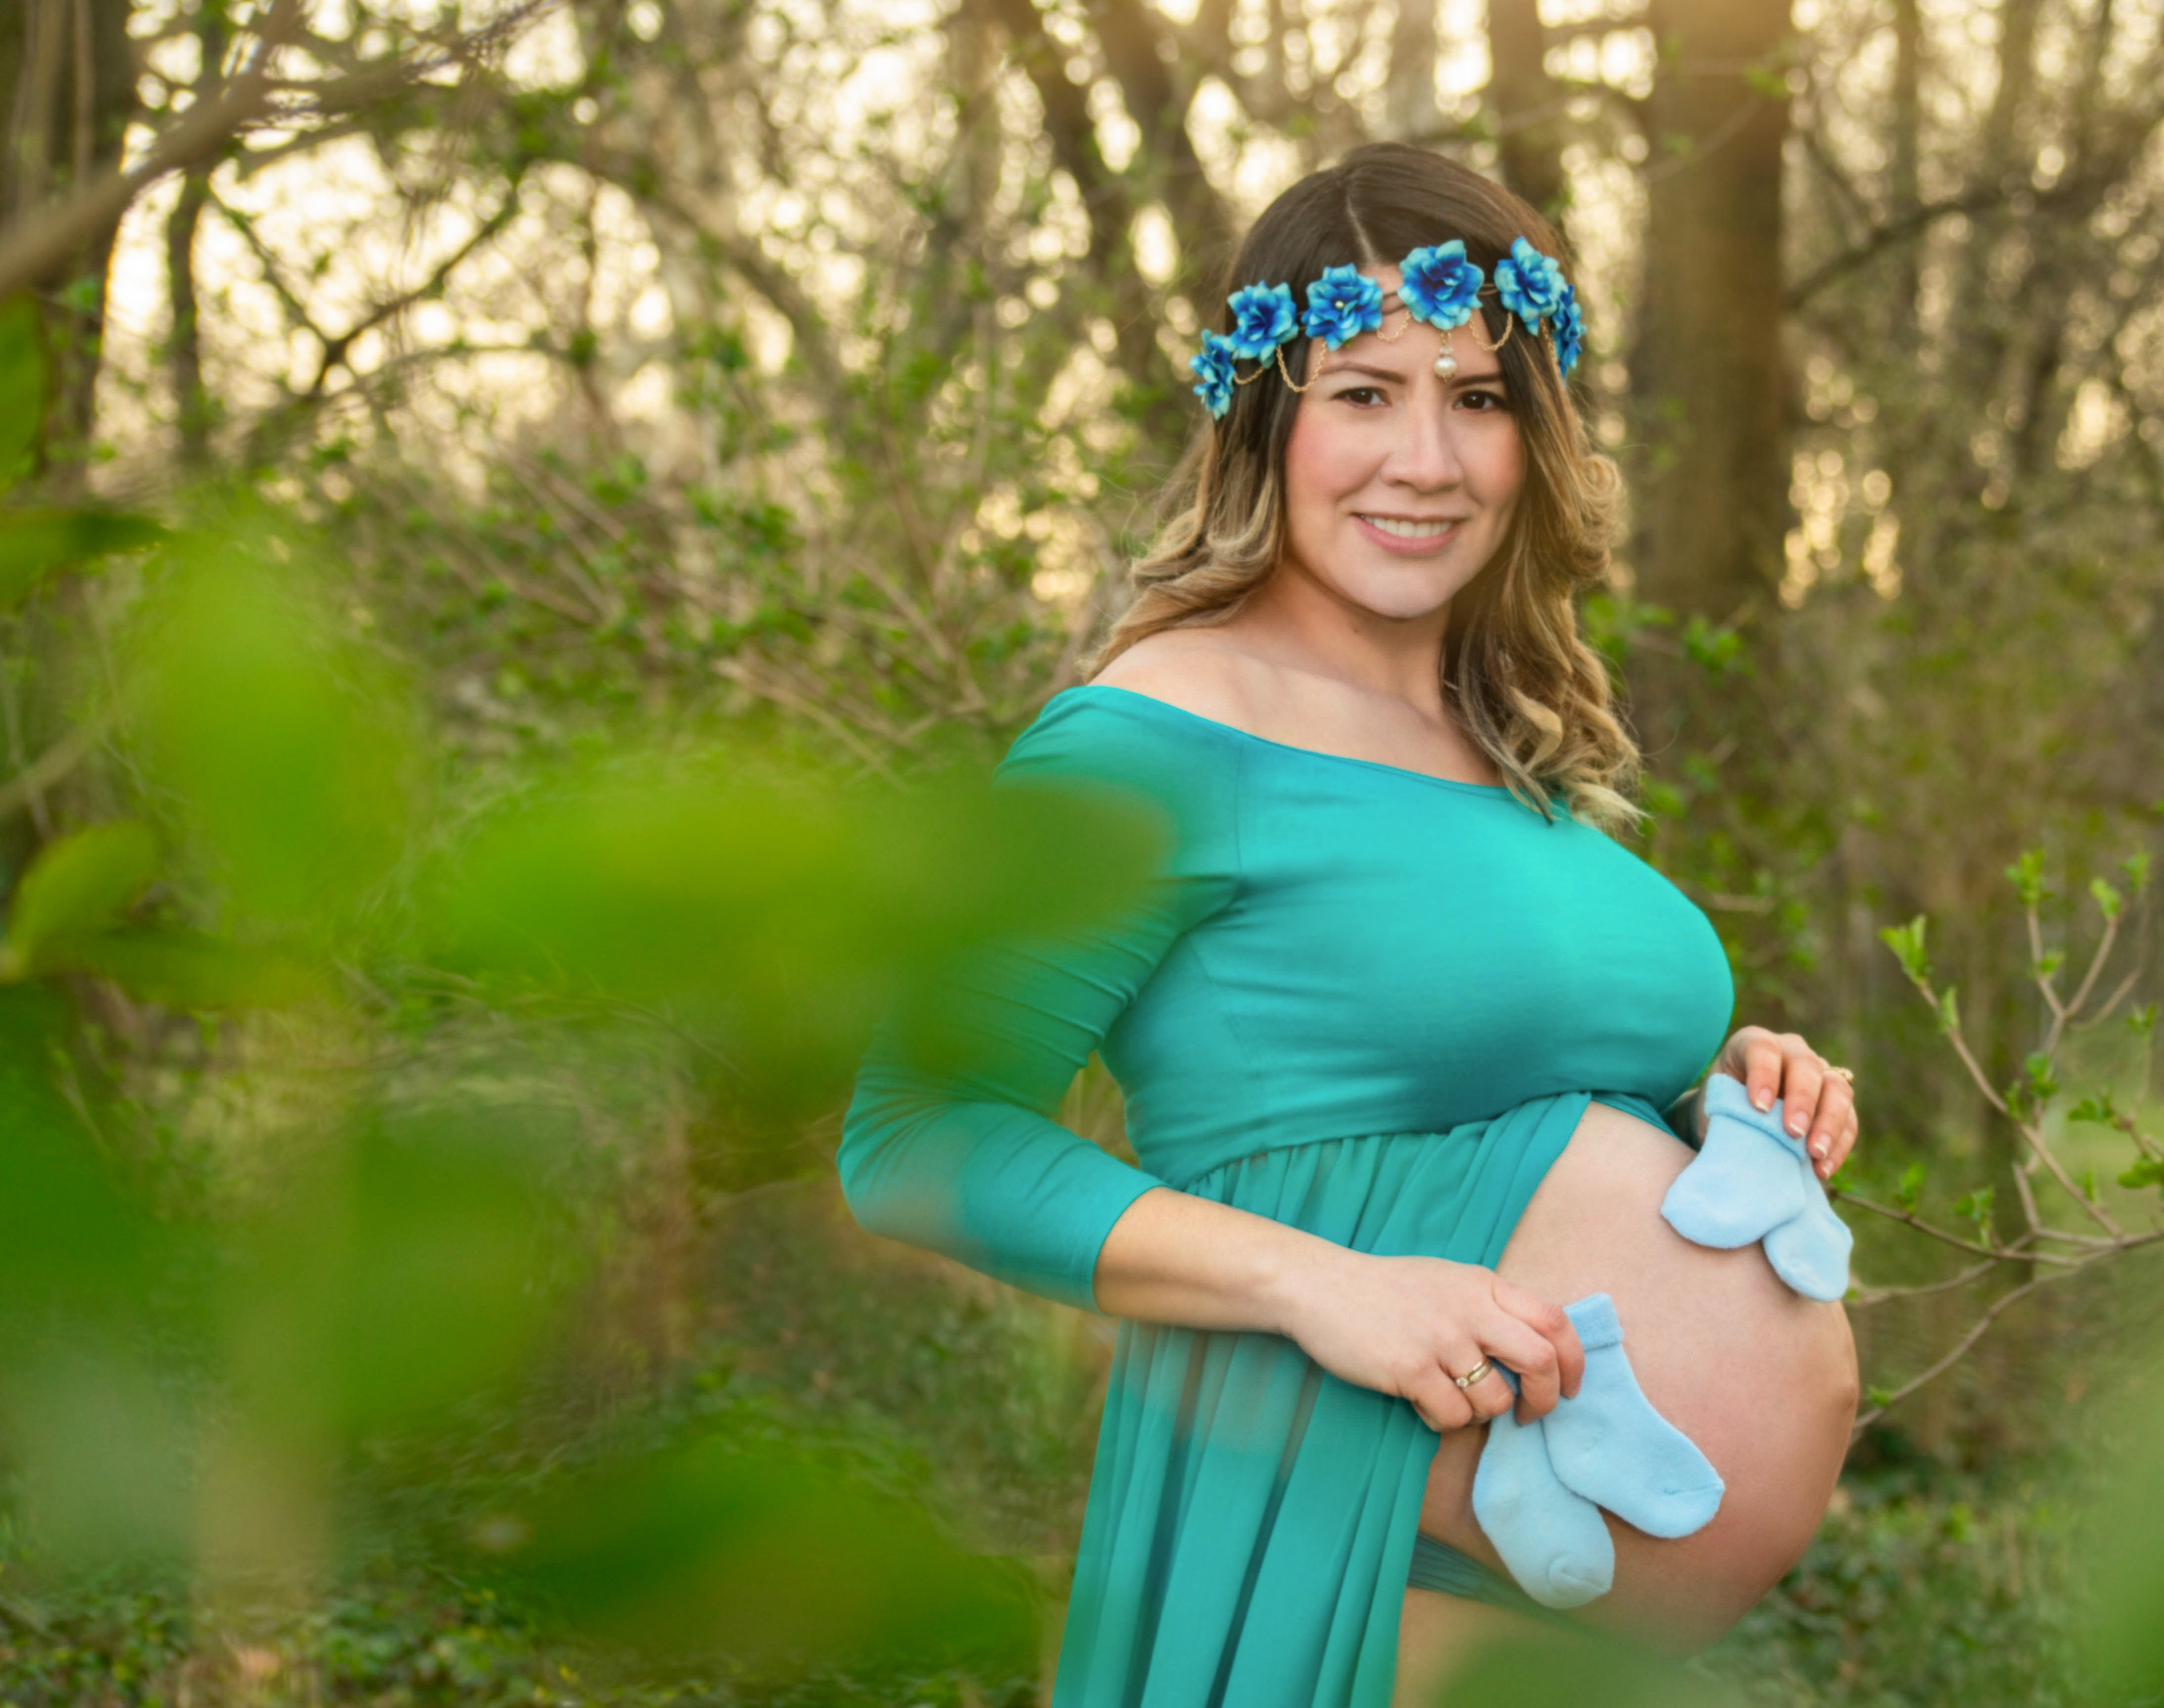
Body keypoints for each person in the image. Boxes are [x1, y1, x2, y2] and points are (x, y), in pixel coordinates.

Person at [839, 141, 1861, 1708]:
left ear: (1536, 433)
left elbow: (1478, 1096)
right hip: (1337, 1528)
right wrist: (1328, 1285)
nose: (1427, 460)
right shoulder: (1148, 739)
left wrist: (1719, 1106)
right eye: (1365, 393)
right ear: (1269, 417)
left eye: (1479, 397)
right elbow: (914, 1139)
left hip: (1552, 1617)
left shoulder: (1520, 750)